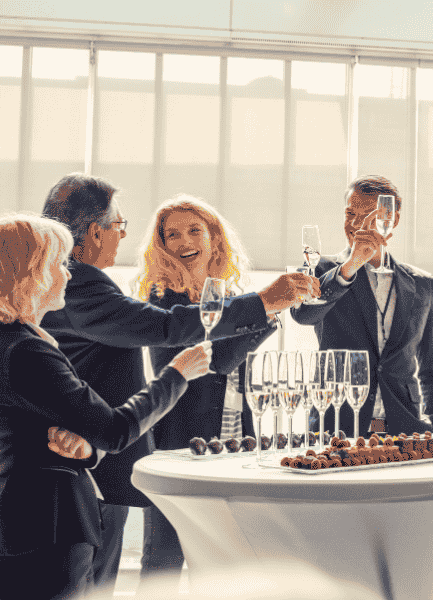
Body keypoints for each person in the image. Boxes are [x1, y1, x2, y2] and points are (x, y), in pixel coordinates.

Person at [39, 173, 311, 598]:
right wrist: (264, 304)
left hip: (97, 453)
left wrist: (262, 309)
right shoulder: (85, 283)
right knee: (110, 578)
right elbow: (170, 329)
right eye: (119, 226)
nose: (122, 236)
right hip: (98, 454)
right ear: (95, 232)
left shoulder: (70, 279)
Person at [0, 213, 212, 600]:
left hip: (34, 520)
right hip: (51, 524)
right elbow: (115, 430)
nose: (68, 274)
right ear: (35, 274)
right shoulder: (26, 350)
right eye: (60, 264)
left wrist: (86, 447)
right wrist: (177, 375)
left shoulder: (14, 340)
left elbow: (39, 432)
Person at [130, 194, 318, 586]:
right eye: (173, 235)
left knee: (223, 562)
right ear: (162, 247)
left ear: (214, 238)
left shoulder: (233, 300)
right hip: (178, 448)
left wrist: (264, 309)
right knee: (163, 558)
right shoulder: (161, 303)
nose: (184, 242)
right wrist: (269, 309)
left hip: (233, 445)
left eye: (194, 230)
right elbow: (213, 365)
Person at [292, 175, 433, 437]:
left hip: (405, 430)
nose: (356, 224)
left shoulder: (422, 285)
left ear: (392, 220)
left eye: (368, 216)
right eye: (350, 213)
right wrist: (350, 267)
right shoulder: (320, 270)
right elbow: (303, 314)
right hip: (336, 428)